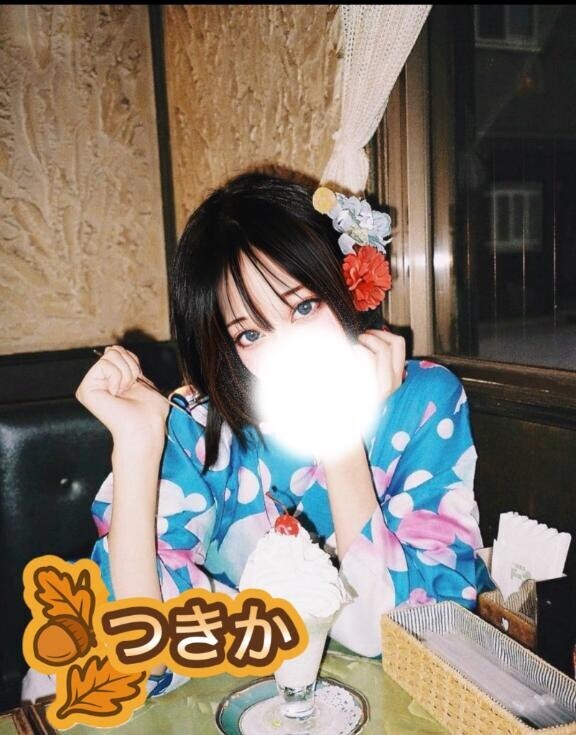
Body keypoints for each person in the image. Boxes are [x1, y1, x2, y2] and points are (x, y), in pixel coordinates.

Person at [22, 172, 489, 700]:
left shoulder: (421, 401)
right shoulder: (202, 427)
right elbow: (138, 650)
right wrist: (136, 446)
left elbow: (404, 635)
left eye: (304, 307)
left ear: (347, 287)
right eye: (250, 333)